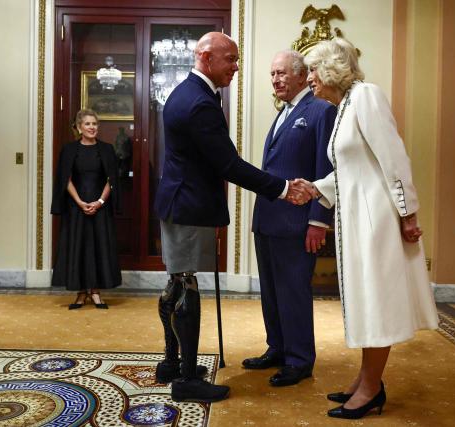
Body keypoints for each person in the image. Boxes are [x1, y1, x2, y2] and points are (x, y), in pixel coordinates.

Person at [153, 32, 314, 403]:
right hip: (189, 205)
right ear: (207, 58)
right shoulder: (199, 102)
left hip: (179, 202)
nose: (237, 67)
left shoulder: (188, 93)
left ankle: (172, 363)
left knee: (177, 282)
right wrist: (283, 188)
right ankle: (186, 379)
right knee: (186, 287)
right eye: (231, 60)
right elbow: (228, 164)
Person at [303, 38, 439, 419]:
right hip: (357, 221)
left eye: (313, 69)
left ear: (331, 69)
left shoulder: (367, 96)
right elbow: (351, 169)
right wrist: (315, 188)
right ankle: (366, 379)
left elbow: (393, 157)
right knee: (366, 302)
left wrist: (408, 214)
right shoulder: (344, 105)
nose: (309, 78)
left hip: (376, 220)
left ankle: (370, 389)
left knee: (377, 303)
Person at [242, 50, 336, 387]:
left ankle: (299, 360)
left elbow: (326, 171)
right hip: (268, 219)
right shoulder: (284, 112)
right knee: (271, 290)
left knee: (293, 291)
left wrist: (318, 221)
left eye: (281, 73)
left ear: (301, 75)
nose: (276, 80)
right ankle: (278, 348)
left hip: (297, 222)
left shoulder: (321, 110)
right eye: (272, 74)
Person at [51, 109, 121, 309]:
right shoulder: (69, 149)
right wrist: (80, 202)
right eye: (88, 124)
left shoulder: (107, 149)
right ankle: (81, 293)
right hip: (76, 208)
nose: (92, 127)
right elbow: (65, 180)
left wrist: (99, 202)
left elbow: (112, 180)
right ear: (79, 127)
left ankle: (96, 292)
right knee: (79, 248)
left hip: (100, 208)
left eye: (95, 124)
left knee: (99, 247)